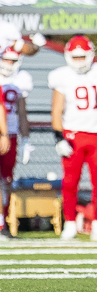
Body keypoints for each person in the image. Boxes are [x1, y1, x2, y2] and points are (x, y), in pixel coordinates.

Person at [48, 36, 97, 241]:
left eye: (82, 56)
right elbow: (56, 110)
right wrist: (59, 137)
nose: (78, 61)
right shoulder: (61, 76)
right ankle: (69, 222)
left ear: (91, 54)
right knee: (69, 182)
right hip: (73, 135)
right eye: (74, 57)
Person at [0, 46, 32, 239]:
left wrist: (25, 138)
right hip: (5, 133)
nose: (9, 64)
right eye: (7, 60)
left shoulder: (20, 80)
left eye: (13, 61)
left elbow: (20, 112)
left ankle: (3, 222)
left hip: (8, 135)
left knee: (6, 180)